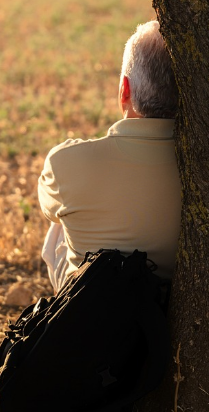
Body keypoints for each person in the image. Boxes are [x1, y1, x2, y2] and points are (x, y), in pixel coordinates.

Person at [38, 21, 182, 293]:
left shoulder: (65, 162)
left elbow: (47, 208)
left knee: (60, 223)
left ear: (124, 90)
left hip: (92, 314)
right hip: (168, 313)